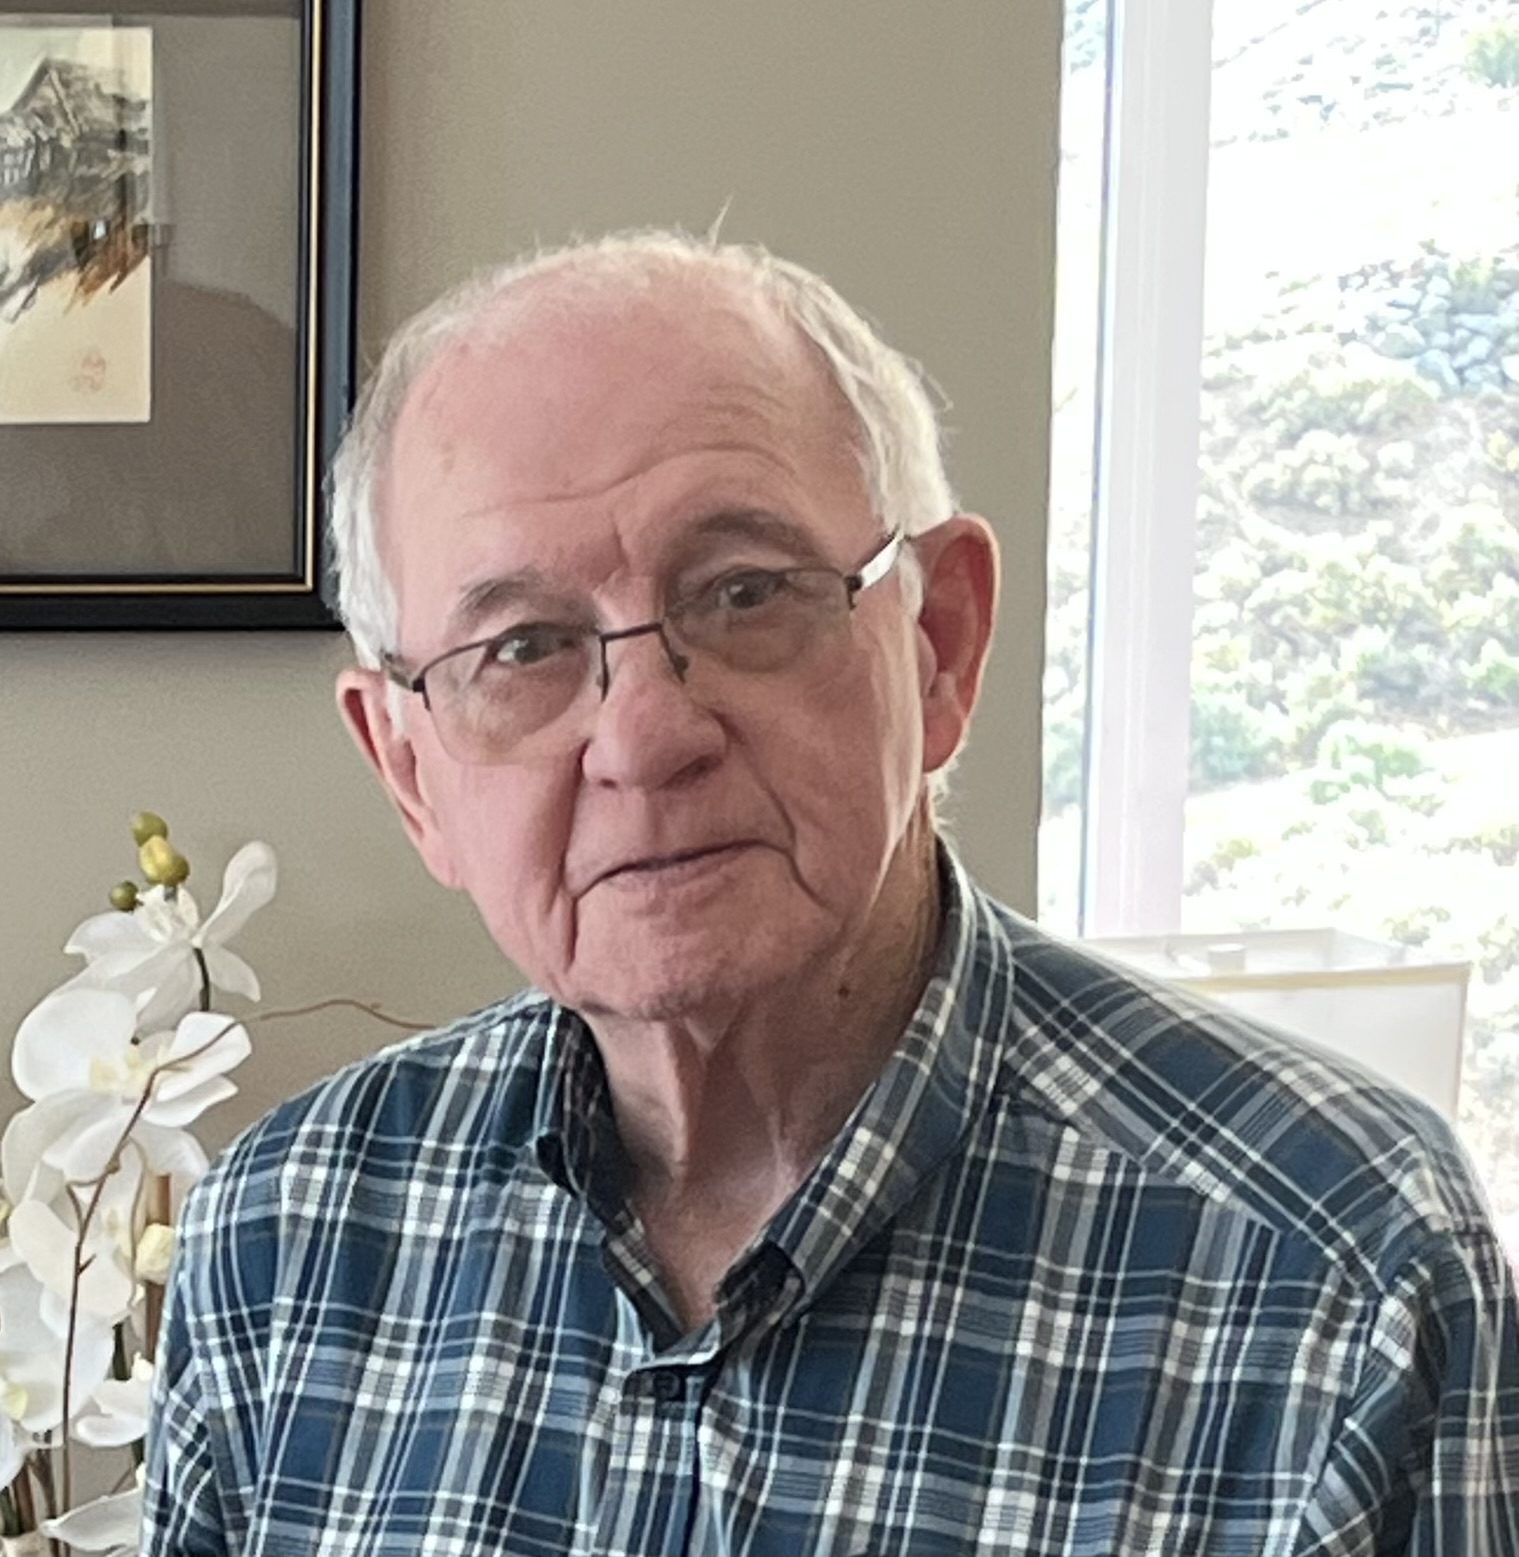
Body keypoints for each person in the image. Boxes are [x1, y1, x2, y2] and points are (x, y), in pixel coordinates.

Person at [144, 230, 1519, 1557]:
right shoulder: (283, 1241)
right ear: (409, 771)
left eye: (746, 594)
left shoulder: (1344, 1277)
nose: (643, 736)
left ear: (941, 644)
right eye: (522, 648)